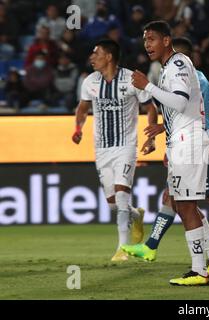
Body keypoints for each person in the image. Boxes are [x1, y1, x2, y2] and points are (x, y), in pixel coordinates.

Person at [121, 37, 209, 269]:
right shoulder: (174, 75)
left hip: (200, 144)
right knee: (174, 198)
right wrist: (164, 133)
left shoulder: (195, 79)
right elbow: (179, 115)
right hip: (183, 142)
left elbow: (197, 115)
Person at [127, 21, 209, 286]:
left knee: (186, 206)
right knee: (181, 204)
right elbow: (184, 107)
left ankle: (199, 271)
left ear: (167, 40)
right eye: (145, 40)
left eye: (152, 39)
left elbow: (178, 101)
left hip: (188, 143)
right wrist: (162, 127)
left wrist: (147, 87)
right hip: (181, 139)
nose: (147, 45)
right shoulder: (170, 68)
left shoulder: (178, 64)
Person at [72, 39, 157, 262]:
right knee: (112, 204)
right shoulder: (89, 81)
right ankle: (135, 215)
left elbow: (150, 108)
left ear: (108, 57)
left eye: (96, 53)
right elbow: (82, 109)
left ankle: (122, 247)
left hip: (126, 146)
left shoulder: (131, 79)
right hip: (102, 149)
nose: (92, 57)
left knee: (121, 194)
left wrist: (151, 137)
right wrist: (78, 128)